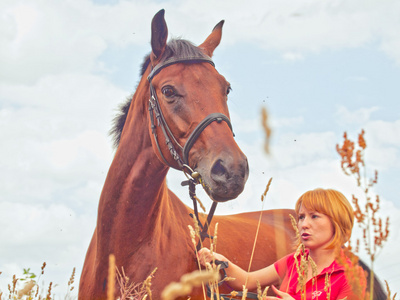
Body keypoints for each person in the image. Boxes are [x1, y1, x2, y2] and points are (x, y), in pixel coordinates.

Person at [198, 188, 366, 300]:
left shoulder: (351, 276)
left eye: (314, 216)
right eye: (301, 217)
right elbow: (248, 280)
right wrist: (221, 261)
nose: (303, 224)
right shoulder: (294, 261)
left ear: (337, 222)